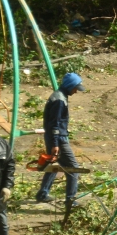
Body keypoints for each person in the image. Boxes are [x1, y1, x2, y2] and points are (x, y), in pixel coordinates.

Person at [35, 72, 85, 205]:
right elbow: (55, 124)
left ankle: (42, 193)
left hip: (54, 137)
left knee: (55, 164)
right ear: (70, 86)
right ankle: (70, 199)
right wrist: (55, 144)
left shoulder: (59, 96)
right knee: (73, 168)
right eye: (75, 88)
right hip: (58, 139)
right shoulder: (59, 101)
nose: (76, 91)